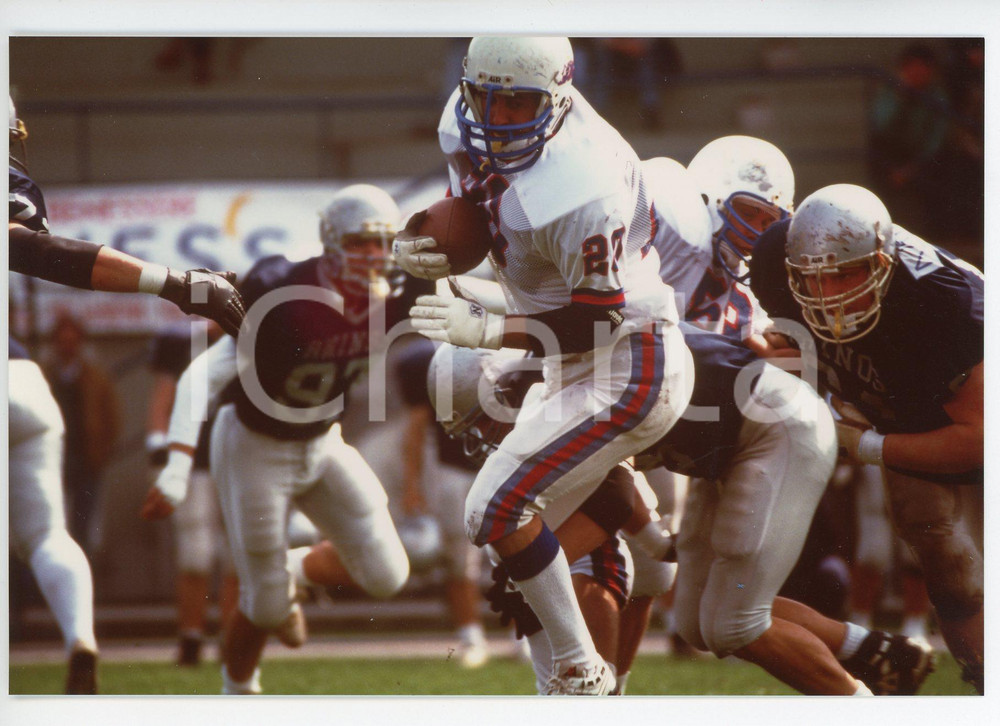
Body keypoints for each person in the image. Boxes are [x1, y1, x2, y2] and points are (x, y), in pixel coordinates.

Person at [398, 36, 693, 694]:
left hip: (630, 360)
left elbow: (600, 317)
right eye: (487, 99)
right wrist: (424, 244)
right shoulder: (462, 121)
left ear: (557, 98)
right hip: (567, 358)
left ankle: (585, 670)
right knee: (521, 559)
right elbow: (474, 214)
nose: (499, 119)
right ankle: (564, 688)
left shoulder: (583, 183)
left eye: (519, 104)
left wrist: (490, 330)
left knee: (492, 509)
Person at [7, 95, 243, 695]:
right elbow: (30, 248)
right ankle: (80, 639)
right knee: (46, 535)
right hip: (21, 378)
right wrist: (175, 283)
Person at [141, 184, 415, 695]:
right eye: (359, 241)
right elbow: (203, 375)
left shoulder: (397, 291)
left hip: (323, 441)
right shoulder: (286, 290)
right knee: (264, 606)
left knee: (388, 574)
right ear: (331, 241)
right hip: (255, 446)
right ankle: (238, 693)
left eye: (382, 242)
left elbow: (466, 298)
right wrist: (177, 467)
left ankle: (290, 570)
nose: (372, 253)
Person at [749, 182, 984, 693]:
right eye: (813, 278)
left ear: (882, 262)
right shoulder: (773, 263)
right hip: (900, 412)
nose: (828, 293)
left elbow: (980, 439)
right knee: (951, 575)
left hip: (962, 419)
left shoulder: (947, 303)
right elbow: (793, 347)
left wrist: (866, 446)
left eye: (846, 274)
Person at [146, 321, 238, 666]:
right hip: (194, 459)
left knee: (238, 554)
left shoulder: (253, 336)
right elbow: (163, 399)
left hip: (238, 457)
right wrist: (159, 447)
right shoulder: (182, 342)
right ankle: (190, 637)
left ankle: (232, 638)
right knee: (195, 554)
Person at [395, 338, 490, 668]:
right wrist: (412, 487)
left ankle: (526, 636)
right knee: (459, 559)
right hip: (454, 469)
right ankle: (470, 636)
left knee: (520, 555)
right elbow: (417, 427)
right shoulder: (429, 360)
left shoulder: (511, 350)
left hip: (502, 465)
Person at [41, 312, 121, 558]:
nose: (68, 346)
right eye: (62, 341)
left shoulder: (95, 377)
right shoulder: (44, 376)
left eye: (72, 341)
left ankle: (84, 570)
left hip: (86, 460)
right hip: (52, 460)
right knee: (51, 523)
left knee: (84, 524)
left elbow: (112, 418)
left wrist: (101, 451)